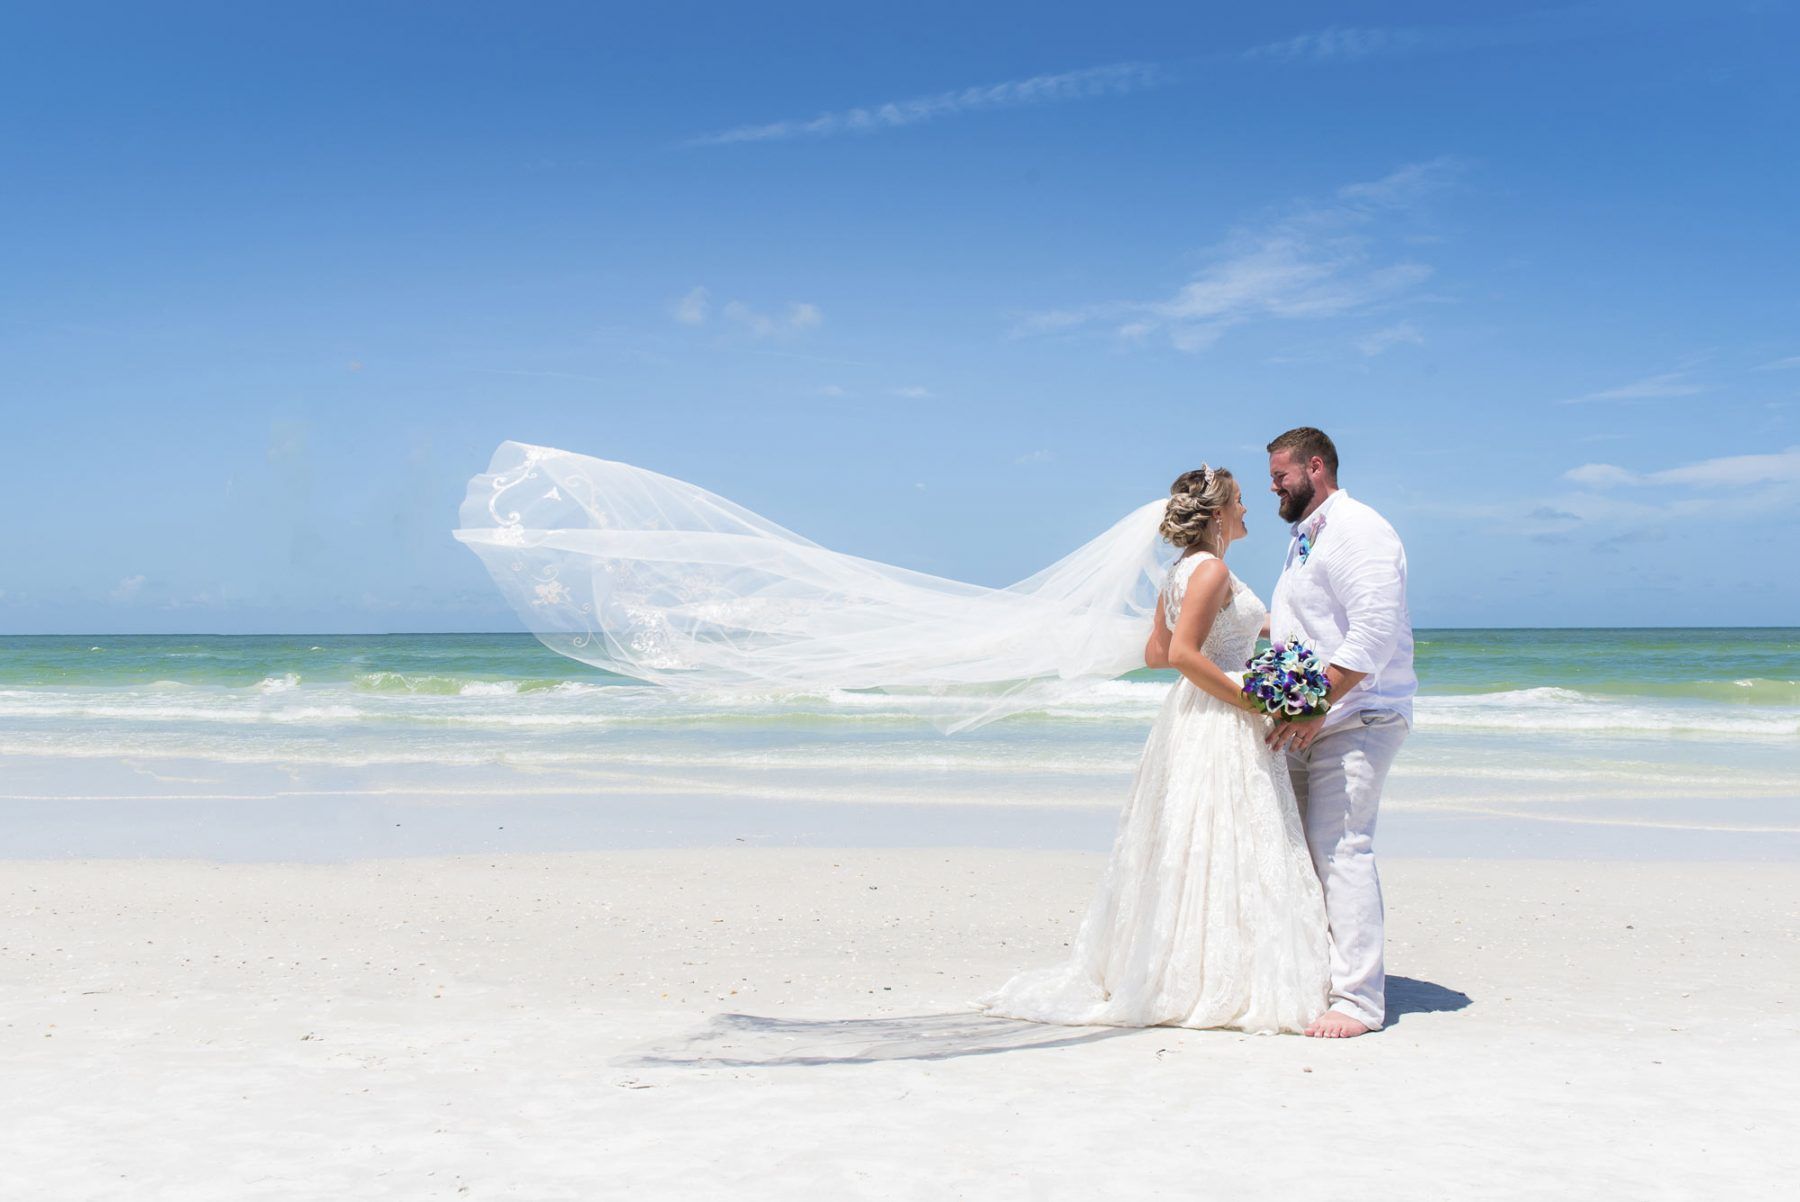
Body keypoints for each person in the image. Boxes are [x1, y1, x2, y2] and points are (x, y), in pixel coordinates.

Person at [976, 466, 1330, 1035]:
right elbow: (1186, 654)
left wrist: (1249, 651)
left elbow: (1155, 652)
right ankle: (1214, 977)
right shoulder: (1210, 569)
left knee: (1197, 839)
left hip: (1190, 715)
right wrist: (1248, 692)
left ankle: (1174, 965)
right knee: (1226, 836)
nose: (1247, 510)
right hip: (1220, 715)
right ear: (1217, 514)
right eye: (1240, 501)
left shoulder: (1179, 572)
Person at [1263, 427, 1415, 1038]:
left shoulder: (1358, 529)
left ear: (1315, 467)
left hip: (1361, 714)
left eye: (1281, 476)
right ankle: (1319, 977)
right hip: (1318, 714)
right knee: (1303, 853)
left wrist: (1315, 703)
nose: (1273, 487)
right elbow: (1308, 625)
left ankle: (1358, 1002)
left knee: (1342, 848)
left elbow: (1374, 631)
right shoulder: (1307, 536)